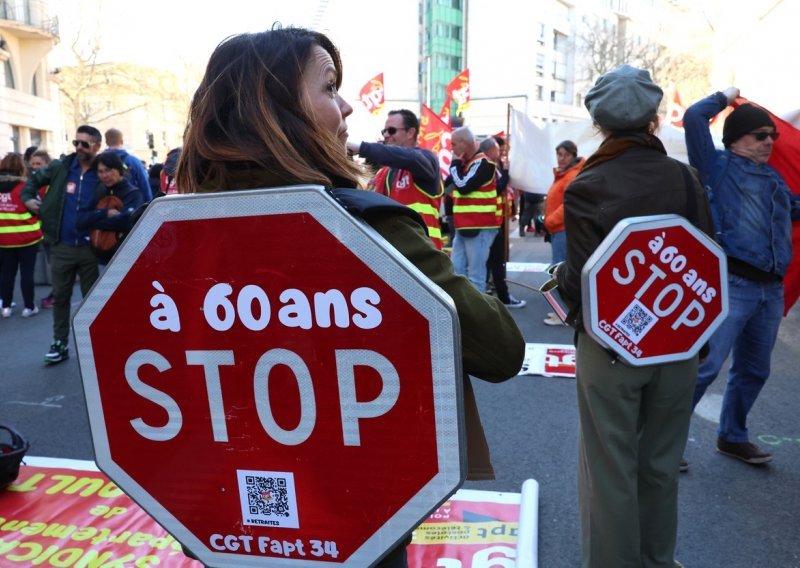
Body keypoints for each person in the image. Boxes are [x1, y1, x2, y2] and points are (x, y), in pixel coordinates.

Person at [176, 27, 525, 567]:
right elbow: (501, 349)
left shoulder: (173, 235)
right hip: (353, 523)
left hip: (228, 522)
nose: (345, 107)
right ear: (272, 109)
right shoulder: (366, 227)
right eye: (329, 87)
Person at [553, 65, 714, 567]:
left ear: (599, 124)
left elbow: (582, 279)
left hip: (611, 345)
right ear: (653, 119)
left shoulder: (588, 183)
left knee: (609, 468)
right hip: (679, 341)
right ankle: (657, 559)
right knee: (661, 464)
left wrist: (558, 276)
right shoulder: (685, 178)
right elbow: (705, 257)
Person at [683, 88, 800, 465]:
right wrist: (725, 96)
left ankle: (732, 436)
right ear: (736, 138)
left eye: (773, 136)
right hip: (730, 285)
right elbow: (693, 117)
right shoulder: (717, 166)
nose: (769, 141)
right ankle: (661, 444)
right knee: (705, 368)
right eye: (760, 135)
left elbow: (794, 210)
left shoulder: (775, 180)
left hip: (770, 290)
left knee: (754, 370)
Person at [22, 125, 103, 364]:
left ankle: (95, 347)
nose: (78, 148)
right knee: (61, 297)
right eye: (76, 142)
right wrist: (28, 200)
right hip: (61, 246)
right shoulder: (62, 167)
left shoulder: (102, 169)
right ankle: (60, 343)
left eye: (84, 144)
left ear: (96, 146)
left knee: (92, 301)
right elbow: (32, 181)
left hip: (90, 248)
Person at [347, 109, 444, 249]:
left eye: (391, 130)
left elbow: (412, 158)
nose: (386, 135)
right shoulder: (382, 174)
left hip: (424, 254)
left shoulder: (427, 160)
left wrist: (361, 148)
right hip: (394, 253)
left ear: (410, 132)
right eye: (384, 131)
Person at [447, 126, 500, 292]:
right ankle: (464, 312)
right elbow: (448, 184)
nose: (452, 148)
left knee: (476, 277)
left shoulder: (483, 163)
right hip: (464, 226)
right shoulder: (467, 164)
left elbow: (462, 186)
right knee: (457, 272)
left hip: (480, 227)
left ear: (464, 143)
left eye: (454, 144)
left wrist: (455, 163)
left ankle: (478, 317)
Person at [478, 136, 525, 309]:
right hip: (492, 221)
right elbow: (497, 188)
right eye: (498, 149)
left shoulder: (487, 165)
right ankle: (503, 296)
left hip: (494, 219)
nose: (500, 152)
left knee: (493, 260)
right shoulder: (486, 166)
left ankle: (494, 292)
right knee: (497, 260)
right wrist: (505, 172)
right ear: (490, 150)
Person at [543, 140, 584, 326]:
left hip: (562, 229)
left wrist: (549, 221)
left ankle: (564, 312)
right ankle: (564, 311)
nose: (561, 158)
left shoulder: (570, 176)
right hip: (559, 228)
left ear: (573, 156)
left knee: (559, 271)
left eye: (565, 155)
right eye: (559, 154)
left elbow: (567, 205)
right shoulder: (565, 174)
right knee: (560, 270)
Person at [77, 151, 144, 265]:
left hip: (125, 259)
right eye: (100, 171)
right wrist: (104, 213)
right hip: (99, 259)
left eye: (108, 170)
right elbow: (80, 220)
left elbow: (127, 222)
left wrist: (92, 221)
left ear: (118, 170)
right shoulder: (98, 191)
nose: (104, 175)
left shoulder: (133, 194)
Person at [0, 152, 42, 318]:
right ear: (21, 167)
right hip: (27, 238)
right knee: (26, 274)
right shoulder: (25, 188)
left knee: (7, 274)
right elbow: (38, 208)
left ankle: (6, 307)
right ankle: (29, 307)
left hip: (3, 240)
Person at [28, 150, 55, 309]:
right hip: (39, 232)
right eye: (33, 164)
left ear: (47, 164)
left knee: (56, 267)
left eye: (39, 164)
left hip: (51, 231)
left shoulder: (51, 183)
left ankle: (56, 296)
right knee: (51, 265)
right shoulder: (32, 182)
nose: (35, 167)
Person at [104, 128, 153, 201]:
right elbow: (144, 186)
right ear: (122, 141)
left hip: (107, 206)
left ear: (106, 142)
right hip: (132, 205)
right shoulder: (134, 161)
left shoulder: (99, 161)